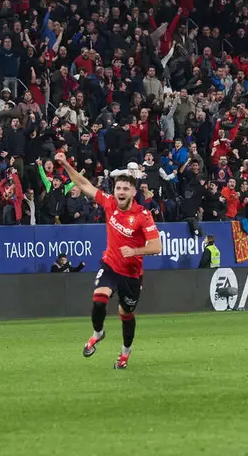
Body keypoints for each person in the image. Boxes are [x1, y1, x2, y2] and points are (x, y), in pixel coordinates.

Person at [55, 151, 162, 370]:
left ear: (133, 191)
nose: (120, 192)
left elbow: (157, 246)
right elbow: (83, 183)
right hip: (111, 265)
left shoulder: (142, 215)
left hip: (132, 275)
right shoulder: (109, 203)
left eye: (125, 188)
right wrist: (66, 164)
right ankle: (98, 333)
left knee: (126, 313)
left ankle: (125, 354)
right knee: (99, 298)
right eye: (118, 188)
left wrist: (135, 251)